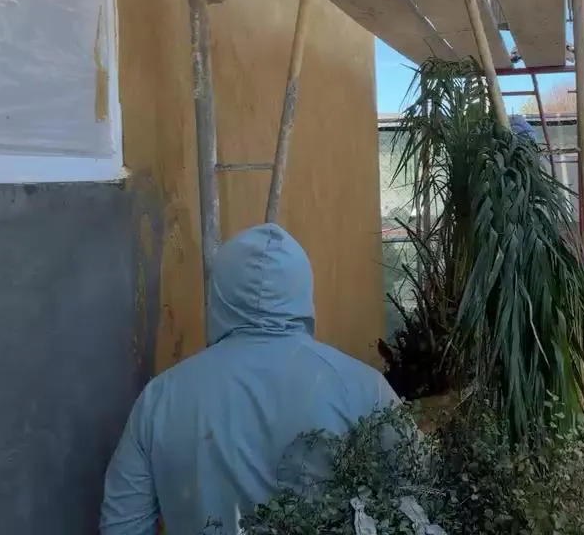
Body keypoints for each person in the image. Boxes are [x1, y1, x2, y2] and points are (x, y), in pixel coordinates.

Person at [100, 223, 400, 534]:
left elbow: (122, 526)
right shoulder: (365, 389)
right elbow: (418, 504)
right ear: (303, 291)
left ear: (218, 296)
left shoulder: (160, 398)